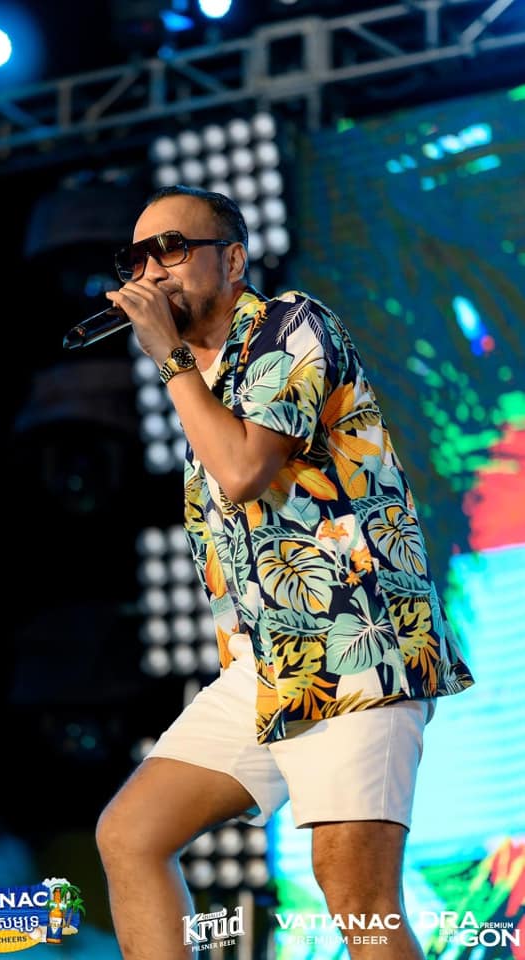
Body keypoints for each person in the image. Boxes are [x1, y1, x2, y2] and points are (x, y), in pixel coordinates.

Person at [95, 184, 475, 960]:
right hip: (270, 665)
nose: (151, 271)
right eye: (137, 259)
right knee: (131, 834)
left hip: (355, 646)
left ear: (233, 261)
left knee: (356, 894)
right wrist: (183, 367)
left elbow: (242, 471)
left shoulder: (290, 324)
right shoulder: (206, 380)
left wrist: (169, 358)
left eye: (172, 249)